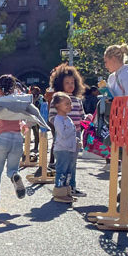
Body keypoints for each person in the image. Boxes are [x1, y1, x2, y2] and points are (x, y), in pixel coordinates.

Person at [0, 74, 29, 209]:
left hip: (2, 137)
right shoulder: (18, 101)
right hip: (17, 137)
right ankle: (14, 175)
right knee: (12, 169)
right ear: (13, 88)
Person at [103, 43, 128, 182]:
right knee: (122, 155)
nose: (105, 65)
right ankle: (124, 185)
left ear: (113, 58)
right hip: (117, 120)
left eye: (106, 61)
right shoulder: (112, 77)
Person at [50, 64, 85, 195]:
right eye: (67, 83)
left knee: (73, 163)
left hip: (76, 134)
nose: (70, 85)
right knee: (63, 163)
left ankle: (71, 186)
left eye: (72, 82)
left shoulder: (77, 100)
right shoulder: (58, 99)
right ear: (60, 83)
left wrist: (86, 119)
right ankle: (60, 187)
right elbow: (51, 116)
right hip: (63, 134)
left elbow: (82, 116)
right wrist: (60, 124)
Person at [50, 92, 79, 202]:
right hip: (62, 149)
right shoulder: (58, 119)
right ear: (57, 106)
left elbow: (71, 132)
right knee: (61, 171)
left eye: (70, 103)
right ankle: (59, 192)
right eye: (66, 103)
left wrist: (75, 140)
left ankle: (66, 191)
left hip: (69, 149)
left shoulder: (68, 119)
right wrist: (72, 133)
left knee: (68, 172)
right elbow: (62, 134)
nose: (69, 106)